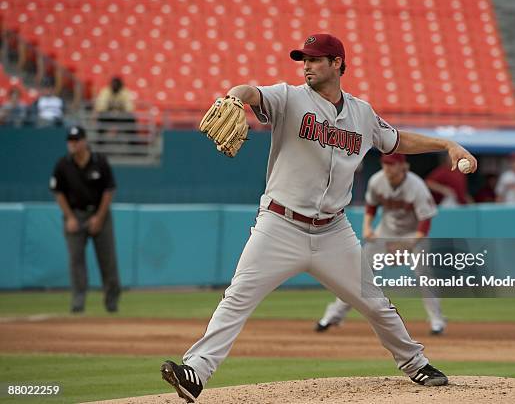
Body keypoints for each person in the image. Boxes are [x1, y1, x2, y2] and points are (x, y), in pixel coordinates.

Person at [160, 33, 477, 402]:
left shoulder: (361, 113)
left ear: (337, 63)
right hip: (279, 224)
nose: (306, 65)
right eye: (303, 60)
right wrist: (234, 97)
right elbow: (250, 91)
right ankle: (195, 372)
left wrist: (447, 144)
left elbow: (396, 141)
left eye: (314, 59)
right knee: (237, 297)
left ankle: (415, 362)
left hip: (333, 232)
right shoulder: (289, 98)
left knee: (374, 301)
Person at [315, 153, 447, 335]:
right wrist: (367, 227)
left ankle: (437, 322)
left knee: (424, 275)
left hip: (413, 235)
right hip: (385, 232)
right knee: (358, 274)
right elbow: (371, 207)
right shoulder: (377, 180)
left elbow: (425, 224)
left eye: (392, 164)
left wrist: (406, 245)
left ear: (403, 166)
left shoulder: (417, 187)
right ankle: (332, 316)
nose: (388, 167)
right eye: (385, 164)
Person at [49, 126, 121, 313]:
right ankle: (78, 303)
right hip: (76, 215)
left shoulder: (99, 161)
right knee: (76, 261)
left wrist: (99, 218)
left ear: (84, 141)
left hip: (100, 214)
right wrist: (69, 217)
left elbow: (109, 190)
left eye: (76, 140)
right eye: (70, 140)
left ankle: (112, 303)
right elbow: (58, 192)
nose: (72, 144)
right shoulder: (63, 164)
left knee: (108, 261)